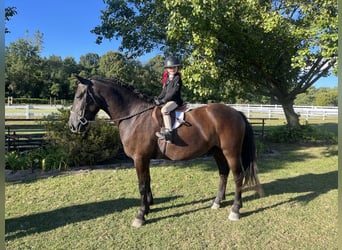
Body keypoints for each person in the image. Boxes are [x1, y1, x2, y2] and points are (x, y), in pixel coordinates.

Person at [154, 56, 183, 141]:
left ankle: (169, 132)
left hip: (175, 101)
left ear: (177, 68)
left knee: (164, 110)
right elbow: (164, 91)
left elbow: (173, 92)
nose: (172, 69)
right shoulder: (167, 79)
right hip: (168, 100)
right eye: (170, 68)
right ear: (167, 69)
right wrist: (158, 98)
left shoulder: (177, 78)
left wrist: (163, 100)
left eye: (174, 67)